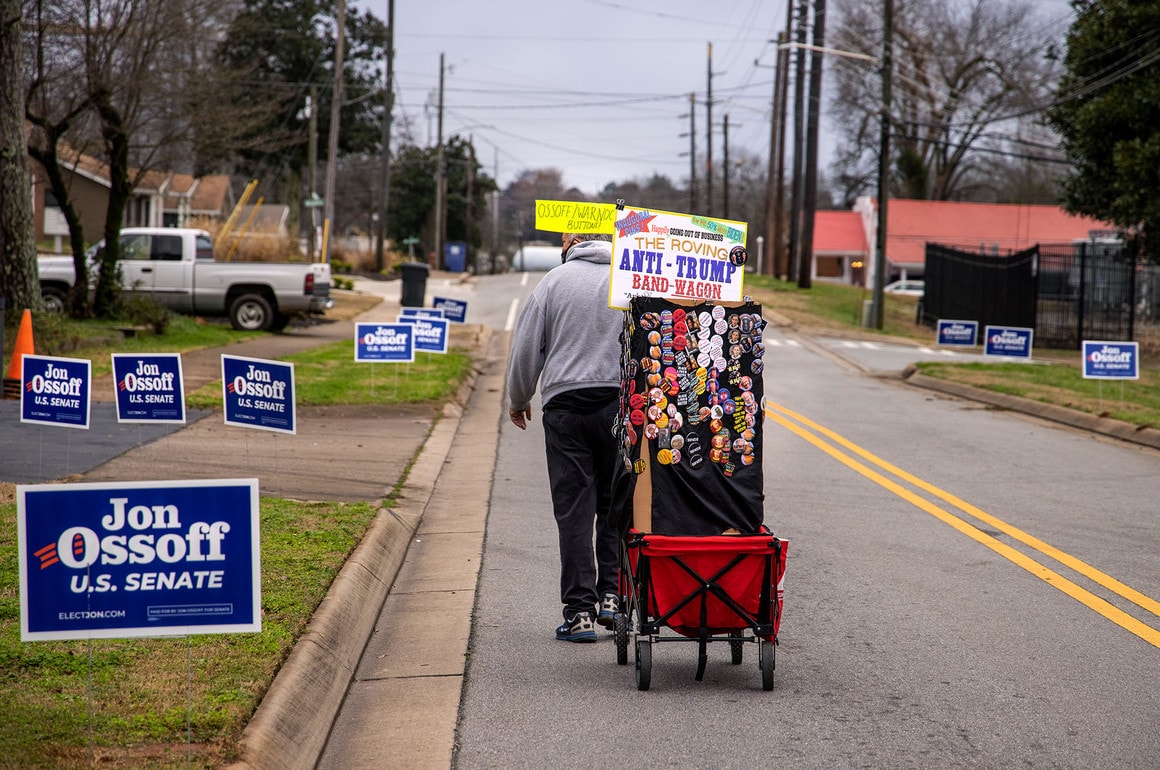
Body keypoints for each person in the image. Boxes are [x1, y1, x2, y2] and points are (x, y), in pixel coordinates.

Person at [507, 231, 623, 643]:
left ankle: (579, 614)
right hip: (619, 405)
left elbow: (527, 348)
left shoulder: (553, 282)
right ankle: (613, 596)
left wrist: (519, 397)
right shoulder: (629, 279)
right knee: (615, 505)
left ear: (569, 243)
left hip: (565, 407)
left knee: (574, 509)